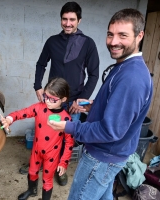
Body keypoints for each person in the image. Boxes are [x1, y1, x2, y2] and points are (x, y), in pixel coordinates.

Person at [48, 8, 153, 200]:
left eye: (123, 35)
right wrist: (93, 106)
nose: (114, 42)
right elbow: (118, 110)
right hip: (112, 155)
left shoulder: (132, 77)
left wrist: (69, 126)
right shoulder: (124, 66)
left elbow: (110, 131)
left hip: (102, 157)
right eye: (110, 34)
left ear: (139, 36)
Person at [20, 1, 100, 186]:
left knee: (66, 138)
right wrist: (38, 86)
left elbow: (94, 74)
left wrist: (80, 101)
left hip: (73, 102)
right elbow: (41, 64)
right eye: (65, 19)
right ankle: (38, 164)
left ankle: (60, 169)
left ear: (79, 20)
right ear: (61, 20)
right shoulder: (52, 41)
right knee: (44, 132)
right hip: (51, 99)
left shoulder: (88, 44)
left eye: (72, 19)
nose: (68, 23)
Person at [1, 77, 74, 200]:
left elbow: (69, 143)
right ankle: (32, 190)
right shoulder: (39, 107)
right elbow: (22, 112)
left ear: (63, 99)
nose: (48, 101)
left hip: (52, 155)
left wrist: (63, 162)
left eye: (53, 99)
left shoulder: (66, 119)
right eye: (46, 96)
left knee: (47, 179)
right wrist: (9, 119)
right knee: (32, 172)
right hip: (36, 150)